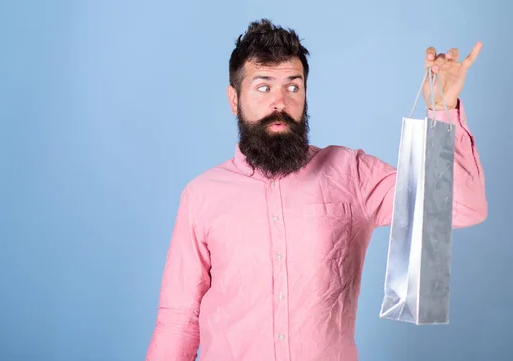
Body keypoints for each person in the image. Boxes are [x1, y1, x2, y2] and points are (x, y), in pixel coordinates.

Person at [144, 18, 487, 361]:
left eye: (293, 87)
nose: (279, 102)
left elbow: (460, 208)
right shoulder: (201, 195)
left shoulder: (351, 173)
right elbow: (179, 321)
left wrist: (443, 108)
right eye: (263, 87)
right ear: (234, 99)